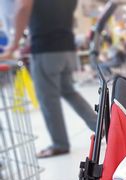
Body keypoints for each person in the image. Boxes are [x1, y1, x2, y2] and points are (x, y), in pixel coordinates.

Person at [0, 0, 97, 158]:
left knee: (47, 98)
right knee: (69, 91)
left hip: (46, 49)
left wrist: (13, 45)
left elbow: (23, 7)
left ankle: (59, 144)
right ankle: (100, 127)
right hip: (67, 47)